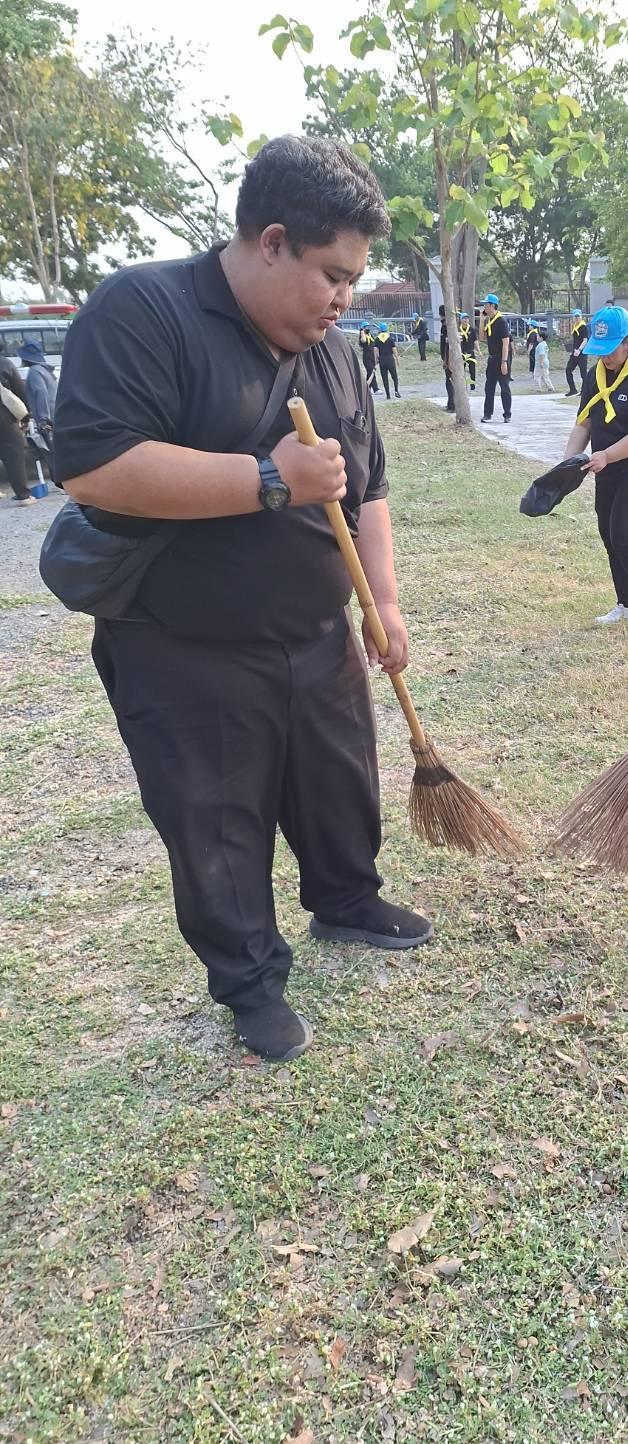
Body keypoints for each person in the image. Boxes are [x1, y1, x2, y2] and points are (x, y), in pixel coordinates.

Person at [50, 134, 433, 1062]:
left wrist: (381, 601)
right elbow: (95, 468)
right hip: (186, 645)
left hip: (316, 626)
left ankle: (346, 899)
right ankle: (251, 979)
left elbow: (364, 488)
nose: (344, 298)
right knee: (216, 822)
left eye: (354, 279)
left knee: (338, 783)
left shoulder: (336, 355)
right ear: (270, 241)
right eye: (331, 274)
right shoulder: (145, 309)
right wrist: (269, 479)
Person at [562, 306, 628, 639]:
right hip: (607, 469)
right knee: (610, 537)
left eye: (611, 350)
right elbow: (586, 421)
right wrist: (566, 464)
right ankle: (627, 603)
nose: (605, 357)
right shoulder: (595, 375)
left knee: (627, 536)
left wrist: (606, 455)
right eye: (600, 350)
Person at [0, 354, 32, 504]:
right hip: (4, 418)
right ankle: (23, 495)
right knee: (14, 454)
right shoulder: (4, 363)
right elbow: (19, 389)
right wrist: (26, 416)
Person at [480, 293, 512, 423]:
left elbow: (506, 343)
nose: (484, 307)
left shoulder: (501, 321)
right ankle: (487, 414)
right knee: (489, 387)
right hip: (492, 358)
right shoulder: (489, 320)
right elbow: (482, 338)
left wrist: (504, 362)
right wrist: (482, 320)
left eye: (486, 305)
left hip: (502, 357)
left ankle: (507, 414)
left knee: (504, 386)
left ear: (492, 306)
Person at [565, 309, 588, 397]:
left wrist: (579, 350)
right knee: (568, 370)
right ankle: (573, 389)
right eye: (575, 316)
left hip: (582, 353)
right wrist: (574, 350)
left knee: (583, 374)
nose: (577, 318)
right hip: (574, 353)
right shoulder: (575, 326)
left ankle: (584, 391)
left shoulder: (583, 327)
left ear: (581, 317)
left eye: (578, 316)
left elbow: (585, 340)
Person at [374, 321, 400, 399]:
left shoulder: (377, 339)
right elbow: (394, 350)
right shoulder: (390, 338)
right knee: (394, 376)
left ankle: (388, 395)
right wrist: (397, 359)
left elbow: (375, 351)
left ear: (380, 329)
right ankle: (396, 391)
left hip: (382, 360)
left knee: (384, 378)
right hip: (390, 359)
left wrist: (376, 360)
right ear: (386, 329)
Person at [438, 304, 454, 413]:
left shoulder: (446, 326)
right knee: (449, 380)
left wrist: (446, 360)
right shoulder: (448, 325)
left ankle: (452, 405)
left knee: (449, 381)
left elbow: (446, 345)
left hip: (448, 357)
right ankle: (451, 403)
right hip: (448, 357)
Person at [358, 320, 380, 394]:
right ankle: (376, 389)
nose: (367, 328)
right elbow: (363, 341)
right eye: (365, 327)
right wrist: (362, 332)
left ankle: (367, 388)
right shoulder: (362, 336)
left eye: (368, 327)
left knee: (369, 372)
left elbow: (374, 345)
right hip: (367, 357)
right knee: (371, 372)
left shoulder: (370, 335)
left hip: (372, 356)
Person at [459, 312, 477, 391]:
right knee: (461, 370)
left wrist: (478, 351)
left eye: (467, 318)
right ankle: (462, 386)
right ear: (461, 320)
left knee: (472, 369)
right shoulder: (458, 329)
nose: (466, 320)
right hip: (461, 352)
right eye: (464, 318)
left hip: (470, 352)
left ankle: (472, 386)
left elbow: (475, 341)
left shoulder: (472, 329)